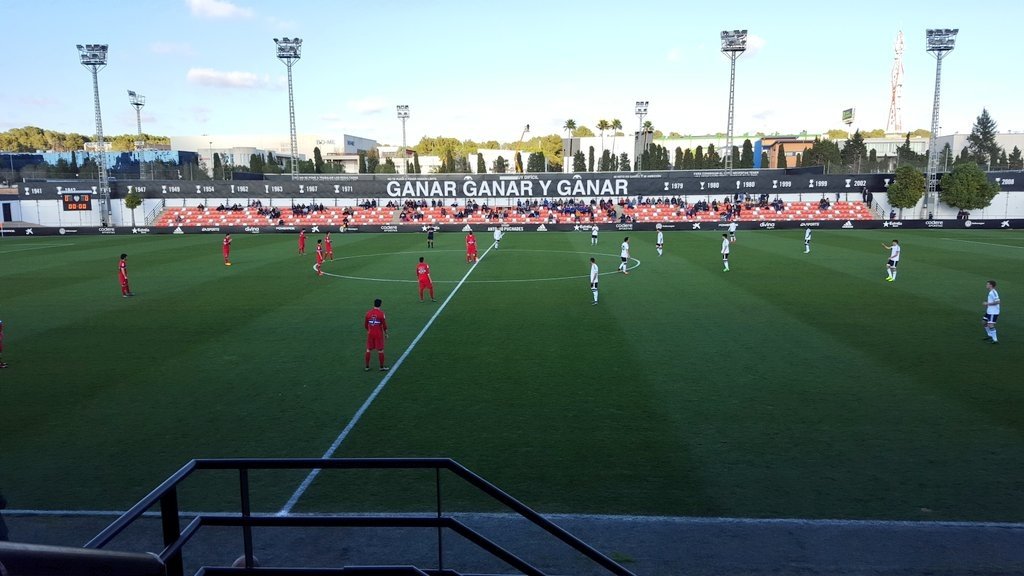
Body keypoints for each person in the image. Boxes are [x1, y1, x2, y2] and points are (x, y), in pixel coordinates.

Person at [364, 298, 389, 371]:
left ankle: (367, 367)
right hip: (378, 334)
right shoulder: (381, 314)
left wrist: (369, 330)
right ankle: (381, 367)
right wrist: (386, 333)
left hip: (370, 333)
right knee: (380, 350)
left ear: (374, 304)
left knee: (368, 349)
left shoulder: (368, 313)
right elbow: (384, 325)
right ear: (380, 304)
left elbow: (365, 325)